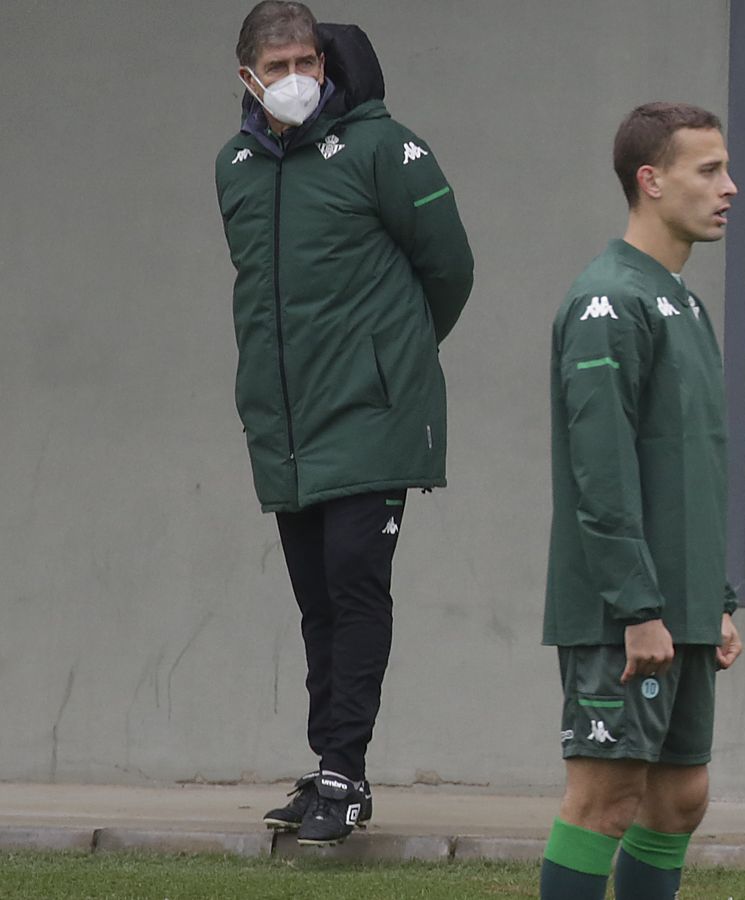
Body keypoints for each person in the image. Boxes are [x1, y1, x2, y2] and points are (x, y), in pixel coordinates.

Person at [214, 1, 473, 847]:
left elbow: (451, 269)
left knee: (356, 586)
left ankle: (345, 774)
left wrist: (390, 359)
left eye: (309, 63)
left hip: (371, 416)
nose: (298, 79)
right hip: (288, 423)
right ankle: (329, 759)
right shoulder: (236, 167)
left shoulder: (383, 148)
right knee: (317, 601)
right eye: (280, 64)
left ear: (327, 64)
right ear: (247, 75)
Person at [540, 102, 744, 900]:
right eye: (709, 171)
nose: (730, 187)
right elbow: (602, 472)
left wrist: (713, 600)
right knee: (605, 802)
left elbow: (691, 468)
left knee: (678, 800)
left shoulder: (682, 302)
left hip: (678, 606)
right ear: (650, 181)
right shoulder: (607, 302)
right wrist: (638, 606)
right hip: (625, 612)